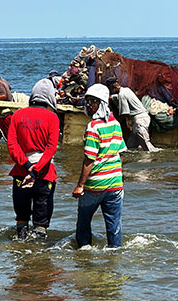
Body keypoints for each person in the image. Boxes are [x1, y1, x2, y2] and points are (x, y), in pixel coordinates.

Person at [73, 84, 127, 248]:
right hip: (115, 184)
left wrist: (80, 185)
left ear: (101, 103)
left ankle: (84, 254)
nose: (88, 105)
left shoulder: (93, 127)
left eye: (92, 102)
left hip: (95, 185)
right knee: (114, 225)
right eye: (87, 101)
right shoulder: (116, 124)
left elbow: (89, 159)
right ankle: (114, 254)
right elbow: (121, 154)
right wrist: (114, 172)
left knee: (83, 221)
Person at [7, 78, 60, 240]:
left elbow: (12, 144)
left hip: (21, 172)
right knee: (41, 221)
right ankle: (39, 258)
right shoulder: (53, 118)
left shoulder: (17, 115)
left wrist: (27, 165)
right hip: (44, 174)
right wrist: (36, 170)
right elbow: (51, 148)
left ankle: (21, 254)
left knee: (21, 217)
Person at [106, 77, 157, 151]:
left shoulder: (121, 95)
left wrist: (114, 122)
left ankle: (155, 160)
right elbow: (119, 97)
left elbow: (124, 113)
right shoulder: (126, 89)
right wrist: (111, 97)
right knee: (130, 146)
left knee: (147, 147)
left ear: (113, 87)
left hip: (140, 121)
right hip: (140, 119)